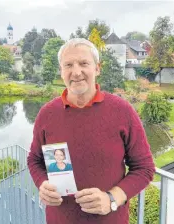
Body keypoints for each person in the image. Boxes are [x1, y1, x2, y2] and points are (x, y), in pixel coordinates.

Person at [27, 38, 155, 224]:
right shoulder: (47, 114)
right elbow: (34, 159)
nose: (76, 72)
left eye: (84, 63)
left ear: (97, 68)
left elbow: (144, 168)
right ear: (61, 71)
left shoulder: (122, 111)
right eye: (68, 65)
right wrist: (42, 184)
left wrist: (112, 198)